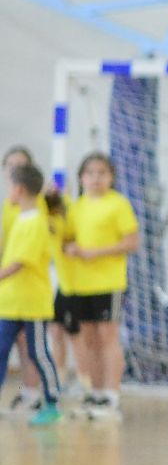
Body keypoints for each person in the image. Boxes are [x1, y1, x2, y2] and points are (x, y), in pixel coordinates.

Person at [62, 152, 138, 422]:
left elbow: (131, 242)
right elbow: (66, 238)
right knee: (89, 339)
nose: (96, 178)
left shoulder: (118, 204)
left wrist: (97, 252)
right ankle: (94, 393)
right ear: (81, 178)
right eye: (90, 173)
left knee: (108, 338)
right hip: (82, 285)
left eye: (102, 173)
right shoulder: (76, 206)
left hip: (109, 283)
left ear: (111, 177)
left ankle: (111, 394)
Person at [0, 162, 62, 426]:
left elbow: (19, 262)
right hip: (10, 303)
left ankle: (51, 403)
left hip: (33, 303)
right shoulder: (21, 219)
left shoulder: (36, 221)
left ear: (20, 189)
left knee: (38, 353)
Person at [2, 144, 46, 414]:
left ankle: (34, 395)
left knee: (31, 346)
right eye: (11, 166)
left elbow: (24, 256)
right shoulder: (10, 208)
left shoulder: (37, 212)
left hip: (30, 288)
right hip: (9, 290)